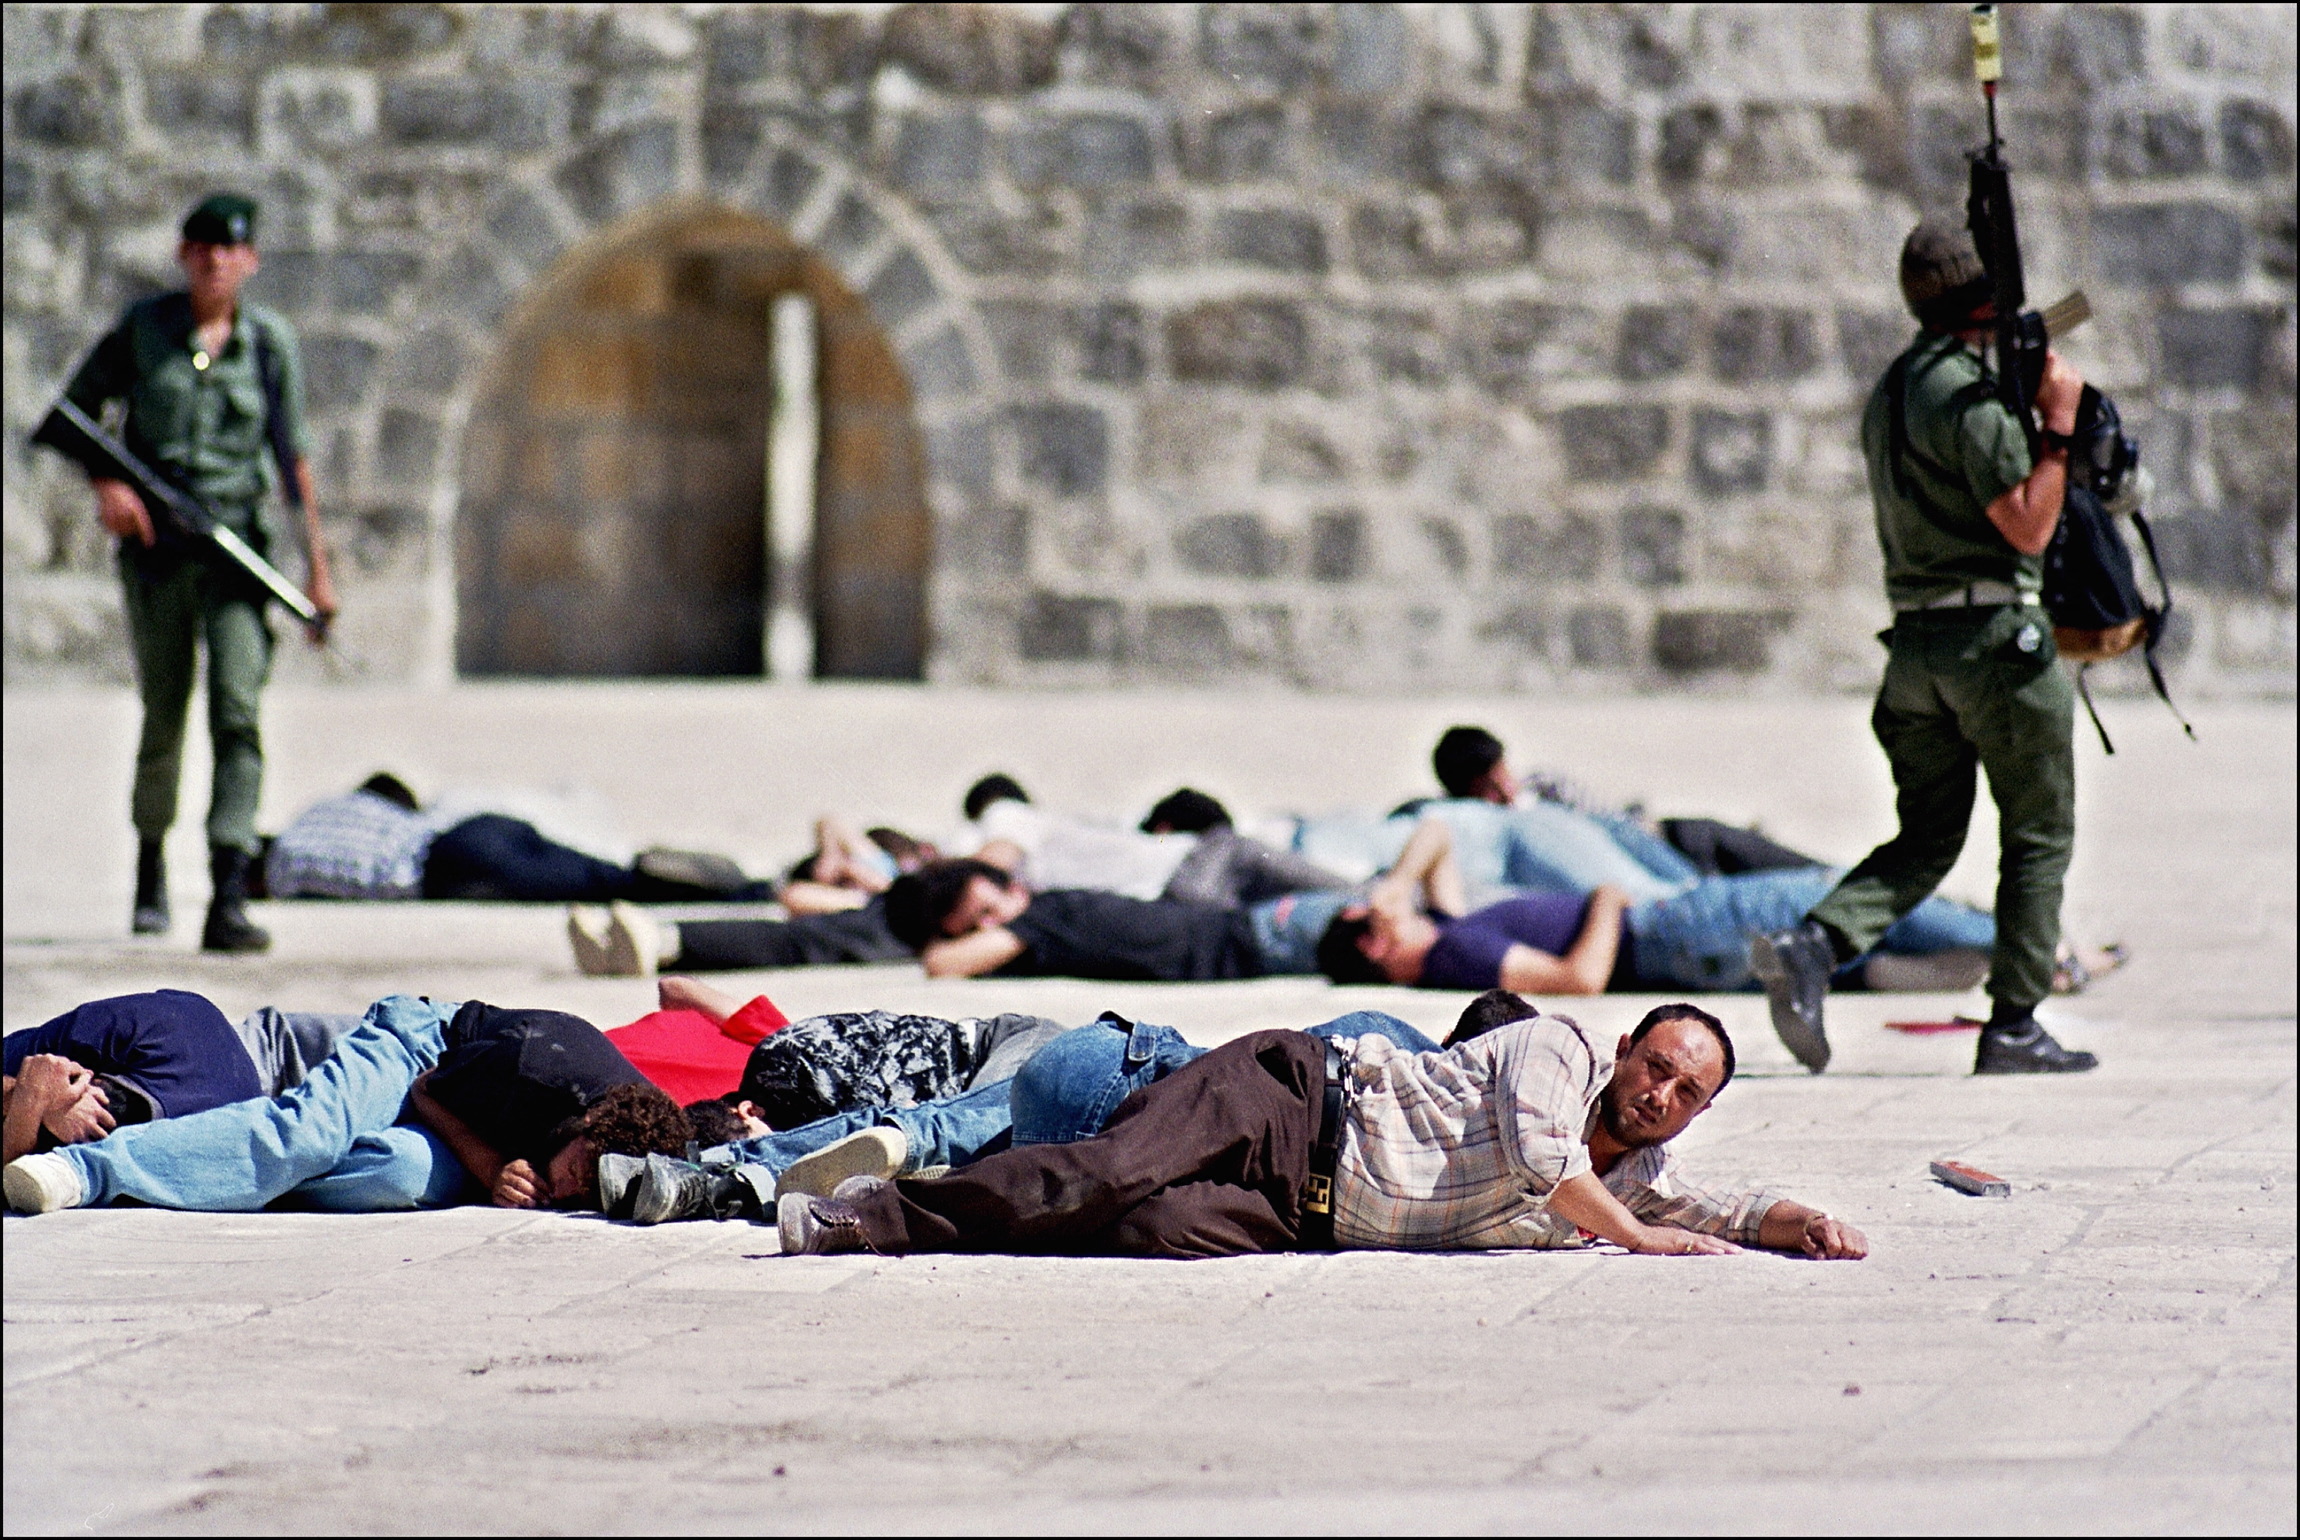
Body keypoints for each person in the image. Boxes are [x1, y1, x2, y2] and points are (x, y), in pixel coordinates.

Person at [1750, 219, 2100, 1077]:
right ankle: (2014, 1022)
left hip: (1917, 647)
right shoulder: (1968, 400)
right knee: (2038, 835)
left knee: (1927, 835)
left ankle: (1814, 943)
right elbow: (2026, 524)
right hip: (1998, 647)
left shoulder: (1895, 389)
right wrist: (2057, 430)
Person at [775, 1002, 1868, 1264]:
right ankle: (856, 1218)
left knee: (1128, 1228)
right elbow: (1546, 1159)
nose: (1659, 1096)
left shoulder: (1639, 1174)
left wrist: (1795, 1221)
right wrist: (1635, 1241)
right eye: (1656, 1068)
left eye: (1685, 1094)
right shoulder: (1554, 1048)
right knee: (1105, 1170)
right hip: (1295, 1098)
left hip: (1302, 1212)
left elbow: (1708, 1208)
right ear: (1627, 1047)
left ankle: (975, 1189)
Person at [55, 193, 338, 952]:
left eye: (230, 248)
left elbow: (292, 457)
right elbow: (75, 415)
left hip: (236, 549)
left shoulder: (269, 344)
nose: (215, 260)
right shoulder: (146, 331)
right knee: (164, 709)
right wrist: (109, 487)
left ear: (249, 261)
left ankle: (227, 886)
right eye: (202, 245)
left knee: (238, 712)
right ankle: (151, 865)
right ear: (184, 254)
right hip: (159, 554)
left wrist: (319, 567)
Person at [611, 1000, 1441, 1227]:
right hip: (1124, 1120)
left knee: (938, 1123)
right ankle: (786, 1190)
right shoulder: (1406, 1071)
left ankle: (711, 1173)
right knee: (994, 1165)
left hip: (1105, 1061)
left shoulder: (1373, 1044)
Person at [2, 996, 690, 1216]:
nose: (570, 1186)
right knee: (305, 1138)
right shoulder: (541, 1062)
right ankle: (92, 1170)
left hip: (456, 1120)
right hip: (422, 1052)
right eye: (577, 1168)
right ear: (587, 1123)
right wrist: (490, 1171)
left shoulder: (635, 1135)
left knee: (395, 1175)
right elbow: (429, 1092)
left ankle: (208, 1172)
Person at [1314, 818, 1996, 998]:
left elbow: (1435, 837)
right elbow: (1576, 981)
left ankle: (1881, 969)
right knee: (1835, 890)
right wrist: (1607, 904)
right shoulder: (1451, 953)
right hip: (1666, 930)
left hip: (1684, 954)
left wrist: (1398, 883)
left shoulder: (1446, 933)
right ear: (1372, 945)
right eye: (1375, 918)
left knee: (1831, 931)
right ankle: (2025, 941)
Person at [885, 820, 1463, 983]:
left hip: (1257, 933)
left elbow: (942, 963)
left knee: (1401, 923)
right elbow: (945, 960)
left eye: (994, 902)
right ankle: (1456, 915)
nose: (1000, 918)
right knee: (1422, 931)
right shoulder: (1037, 925)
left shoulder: (1043, 915)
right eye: (981, 922)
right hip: (1255, 937)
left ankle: (1444, 909)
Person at [262, 772, 765, 903]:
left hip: (452, 865)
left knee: (606, 885)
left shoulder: (284, 861)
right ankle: (733, 882)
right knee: (585, 867)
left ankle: (750, 892)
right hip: (474, 826)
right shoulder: (333, 808)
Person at [3, 989, 361, 1163]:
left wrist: (28, 1101)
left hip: (249, 1055)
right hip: (237, 1072)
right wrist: (28, 1109)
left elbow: (45, 1083)